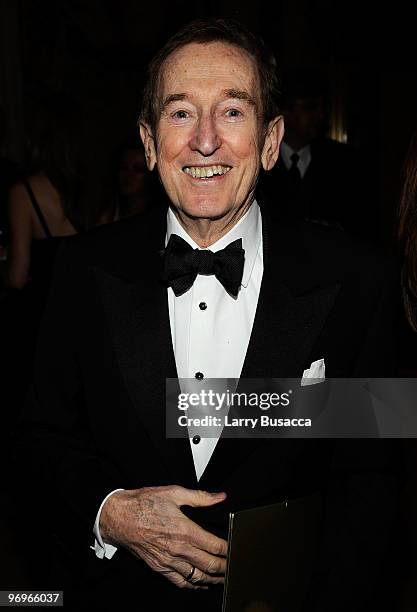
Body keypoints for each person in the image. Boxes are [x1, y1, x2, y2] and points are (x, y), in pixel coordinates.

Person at [14, 18, 403, 612]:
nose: (204, 141)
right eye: (179, 113)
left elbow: (372, 477)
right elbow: (41, 437)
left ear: (271, 141)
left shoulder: (358, 280)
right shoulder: (81, 271)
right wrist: (110, 511)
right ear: (147, 143)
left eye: (231, 111)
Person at [259, 69, 373, 241]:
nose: (319, 115)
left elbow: (360, 227)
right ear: (285, 113)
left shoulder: (344, 161)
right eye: (309, 107)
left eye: (322, 107)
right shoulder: (259, 163)